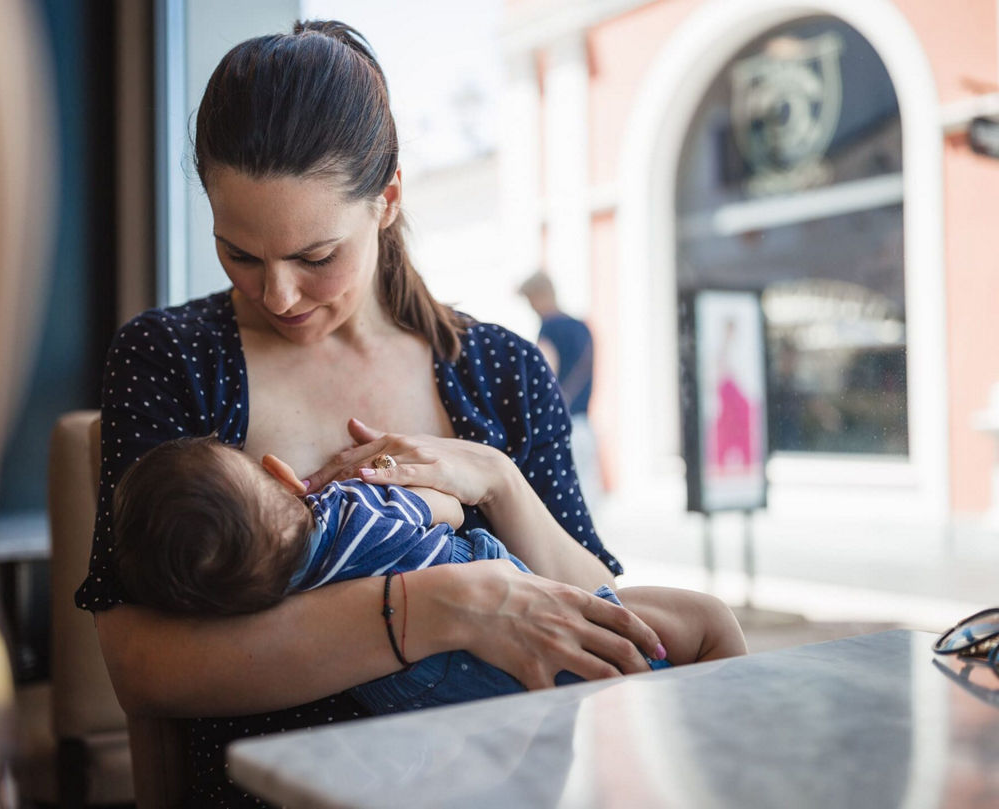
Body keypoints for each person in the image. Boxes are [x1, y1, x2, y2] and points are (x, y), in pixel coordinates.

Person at [79, 20, 677, 806]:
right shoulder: (171, 358)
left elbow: (609, 624)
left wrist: (498, 479)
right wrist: (437, 609)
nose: (278, 295)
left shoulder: (502, 371)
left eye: (315, 257)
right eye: (240, 253)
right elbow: (143, 666)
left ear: (387, 198)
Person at [111, 435, 744, 715]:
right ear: (280, 473)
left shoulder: (266, 606)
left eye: (315, 257)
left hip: (433, 712)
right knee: (707, 622)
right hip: (574, 661)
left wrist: (502, 476)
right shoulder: (354, 509)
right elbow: (448, 508)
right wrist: (403, 480)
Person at [519, 270, 604, 510]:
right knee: (589, 500)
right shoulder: (582, 327)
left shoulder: (550, 328)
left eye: (530, 301)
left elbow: (544, 374)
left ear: (539, 296)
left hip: (561, 429)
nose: (531, 308)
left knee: (565, 504)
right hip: (584, 424)